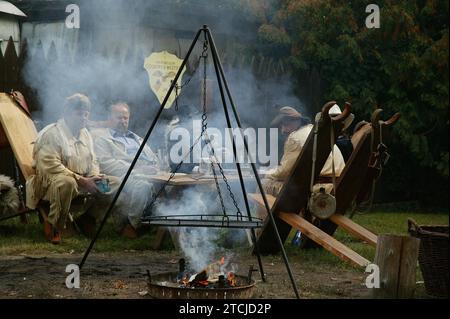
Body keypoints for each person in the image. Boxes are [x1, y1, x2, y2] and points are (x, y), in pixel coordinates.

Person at [26, 94, 120, 244]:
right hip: (50, 183)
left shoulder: (86, 134)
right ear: (67, 114)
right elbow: (50, 166)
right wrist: (82, 180)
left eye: (86, 114)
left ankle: (88, 219)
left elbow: (93, 160)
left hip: (83, 180)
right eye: (79, 114)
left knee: (116, 183)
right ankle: (54, 224)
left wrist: (94, 177)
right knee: (66, 182)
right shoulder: (52, 134)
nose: (84, 117)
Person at [90, 102, 159, 238]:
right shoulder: (102, 138)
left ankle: (166, 227)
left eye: (125, 118)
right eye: (118, 117)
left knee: (173, 189)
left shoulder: (137, 138)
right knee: (143, 186)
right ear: (110, 118)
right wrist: (136, 168)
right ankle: (132, 225)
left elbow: (154, 158)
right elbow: (106, 163)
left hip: (151, 174)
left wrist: (155, 167)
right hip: (124, 176)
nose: (122, 121)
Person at [262, 106, 346, 197]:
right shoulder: (315, 132)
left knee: (263, 184)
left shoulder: (295, 138)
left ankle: (268, 211)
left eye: (285, 124)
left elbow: (285, 172)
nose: (283, 130)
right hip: (337, 187)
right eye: (281, 126)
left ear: (296, 121)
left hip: (314, 189)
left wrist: (267, 174)